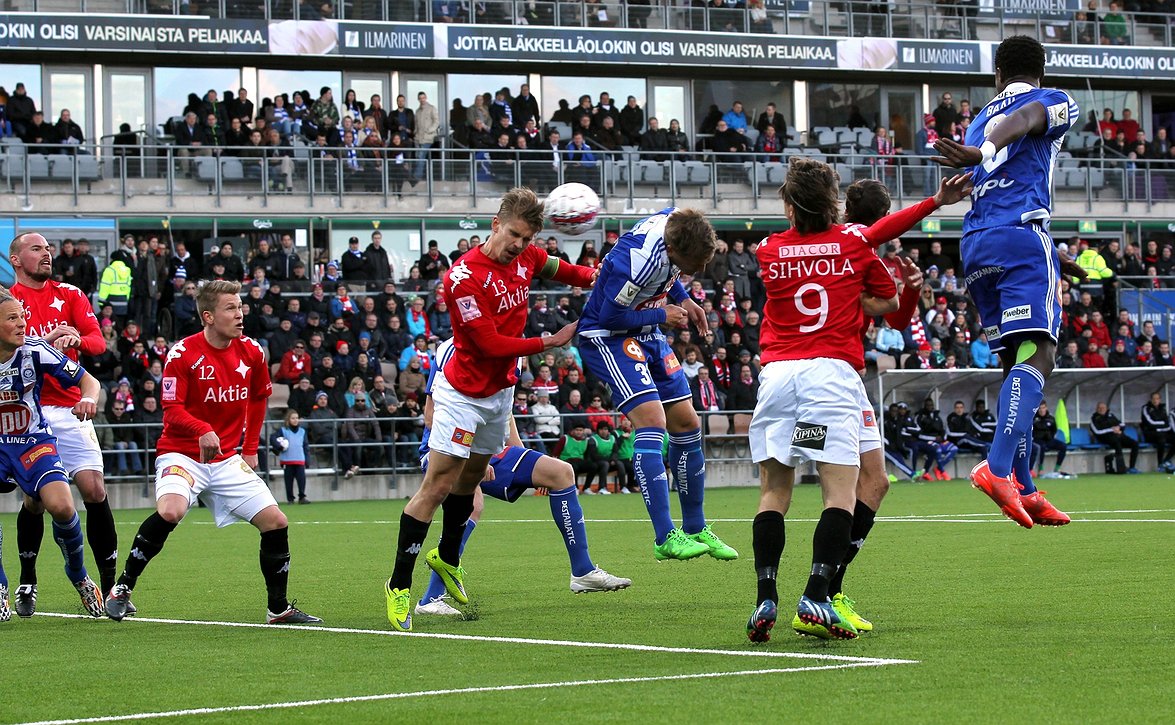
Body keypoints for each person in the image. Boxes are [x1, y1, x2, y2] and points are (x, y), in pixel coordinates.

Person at [744, 157, 969, 642]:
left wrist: (901, 291)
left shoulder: (768, 249)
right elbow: (887, 304)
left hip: (780, 377)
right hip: (831, 377)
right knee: (840, 492)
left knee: (781, 490)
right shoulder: (854, 246)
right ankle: (819, 593)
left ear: (788, 206)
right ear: (836, 206)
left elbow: (878, 300)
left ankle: (768, 595)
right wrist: (935, 202)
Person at [385, 188, 596, 631]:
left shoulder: (529, 257)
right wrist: (548, 342)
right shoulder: (461, 278)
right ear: (496, 223)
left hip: (499, 396)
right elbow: (487, 344)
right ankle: (399, 586)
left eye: (528, 238)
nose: (519, 245)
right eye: (515, 234)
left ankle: (446, 558)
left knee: (470, 481)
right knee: (438, 484)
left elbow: (570, 272)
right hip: (462, 394)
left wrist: (607, 278)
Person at [932, 35, 1085, 528]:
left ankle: (1026, 484)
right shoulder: (1050, 99)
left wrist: (1060, 257)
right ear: (1039, 70)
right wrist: (985, 151)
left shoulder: (976, 121)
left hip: (978, 245)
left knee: (1012, 365)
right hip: (1021, 237)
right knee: (1040, 354)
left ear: (997, 73)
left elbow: (985, 183)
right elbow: (1024, 119)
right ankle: (996, 469)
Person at [104, 281, 320, 625]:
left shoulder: (252, 351)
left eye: (240, 306)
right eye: (231, 308)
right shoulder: (182, 354)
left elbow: (260, 397)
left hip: (227, 458)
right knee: (171, 511)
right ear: (208, 316)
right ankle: (122, 588)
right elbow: (171, 409)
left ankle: (278, 609)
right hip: (181, 453)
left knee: (276, 522)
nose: (240, 313)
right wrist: (201, 429)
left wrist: (250, 449)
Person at [413, 340, 629, 616]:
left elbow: (504, 412)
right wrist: (476, 459)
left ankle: (583, 571)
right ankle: (431, 599)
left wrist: (522, 457)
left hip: (488, 448)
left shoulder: (513, 353)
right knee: (473, 503)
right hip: (445, 448)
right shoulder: (451, 349)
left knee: (561, 473)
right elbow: (432, 417)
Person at [576, 207, 737, 564]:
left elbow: (672, 272)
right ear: (674, 249)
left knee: (687, 424)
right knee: (652, 421)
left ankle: (695, 529)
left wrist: (683, 298)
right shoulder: (636, 263)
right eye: (693, 263)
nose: (698, 270)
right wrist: (663, 314)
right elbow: (610, 317)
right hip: (608, 337)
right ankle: (665, 536)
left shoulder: (675, 223)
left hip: (646, 332)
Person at [9, 233, 120, 617]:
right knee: (37, 501)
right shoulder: (8, 303)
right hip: (29, 412)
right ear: (16, 259)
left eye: (48, 249)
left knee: (93, 489)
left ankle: (111, 589)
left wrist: (75, 338)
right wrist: (50, 339)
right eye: (37, 248)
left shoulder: (70, 293)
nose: (47, 253)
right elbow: (15, 346)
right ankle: (27, 581)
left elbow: (98, 342)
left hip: (73, 408)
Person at [272, 408, 311, 504]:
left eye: (297, 418)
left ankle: (302, 496)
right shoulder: (283, 430)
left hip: (300, 459)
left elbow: (306, 446)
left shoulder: (302, 431)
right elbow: (272, 438)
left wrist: (307, 459)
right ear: (288, 419)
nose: (295, 420)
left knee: (301, 479)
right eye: (293, 418)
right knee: (288, 481)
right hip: (287, 460)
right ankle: (290, 499)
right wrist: (279, 446)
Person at [1089, 401, 1140, 475]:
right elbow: (1097, 432)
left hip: (1118, 435)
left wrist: (1118, 428)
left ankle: (1132, 467)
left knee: (1135, 444)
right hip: (1105, 438)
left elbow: (1122, 424)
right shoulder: (1094, 419)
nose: (1101, 409)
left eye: (1103, 408)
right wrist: (1111, 430)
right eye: (1099, 408)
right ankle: (1121, 468)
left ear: (1107, 408)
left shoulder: (1111, 416)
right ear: (1096, 409)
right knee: (1117, 443)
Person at [1031, 401, 1071, 479]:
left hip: (1049, 440)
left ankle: (1057, 467)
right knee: (1040, 447)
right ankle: (1040, 469)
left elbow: (1054, 430)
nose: (1042, 410)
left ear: (1046, 408)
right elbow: (1032, 431)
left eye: (1043, 408)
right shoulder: (1034, 418)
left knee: (1063, 446)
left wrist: (1049, 436)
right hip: (1038, 440)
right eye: (1040, 408)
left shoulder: (1051, 418)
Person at [1140, 392, 1175, 473]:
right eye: (1154, 399)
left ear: (1160, 399)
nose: (1155, 400)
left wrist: (1160, 427)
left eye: (1157, 398)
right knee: (1161, 439)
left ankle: (1166, 460)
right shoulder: (1146, 408)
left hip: (1161, 433)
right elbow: (1149, 423)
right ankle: (1160, 464)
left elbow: (1167, 422)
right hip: (1149, 433)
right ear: (1151, 399)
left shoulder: (1163, 409)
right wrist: (1162, 424)